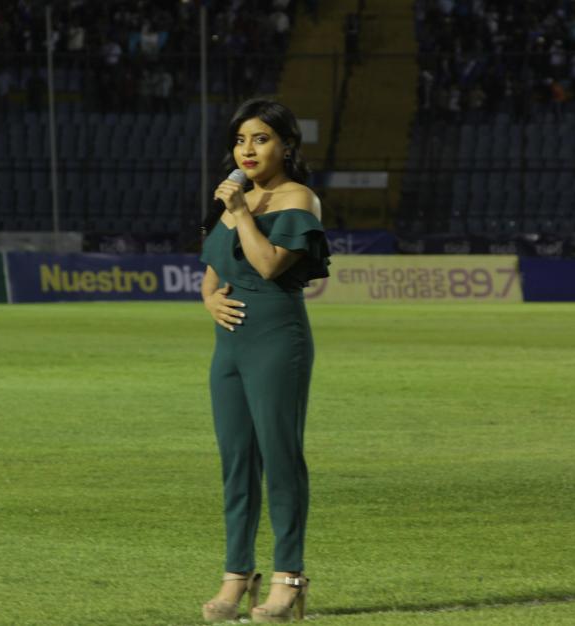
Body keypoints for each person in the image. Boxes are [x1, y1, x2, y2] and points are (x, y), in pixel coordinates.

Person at [199, 98, 330, 623]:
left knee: (280, 457)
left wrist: (239, 213)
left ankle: (288, 578)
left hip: (277, 337)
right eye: (240, 140)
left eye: (260, 138)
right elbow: (213, 267)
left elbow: (271, 264)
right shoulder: (240, 198)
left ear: (286, 145)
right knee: (236, 462)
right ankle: (237, 575)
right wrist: (209, 298)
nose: (247, 150)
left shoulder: (298, 198)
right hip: (228, 344)